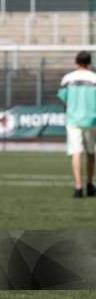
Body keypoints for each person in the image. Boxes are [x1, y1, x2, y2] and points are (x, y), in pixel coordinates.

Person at [57, 51, 96, 198]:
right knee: (91, 152)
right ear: (89, 62)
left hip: (73, 120)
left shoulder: (68, 78)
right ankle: (90, 184)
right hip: (92, 119)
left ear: (76, 61)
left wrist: (70, 108)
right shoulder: (94, 78)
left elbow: (63, 98)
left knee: (76, 152)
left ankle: (78, 187)